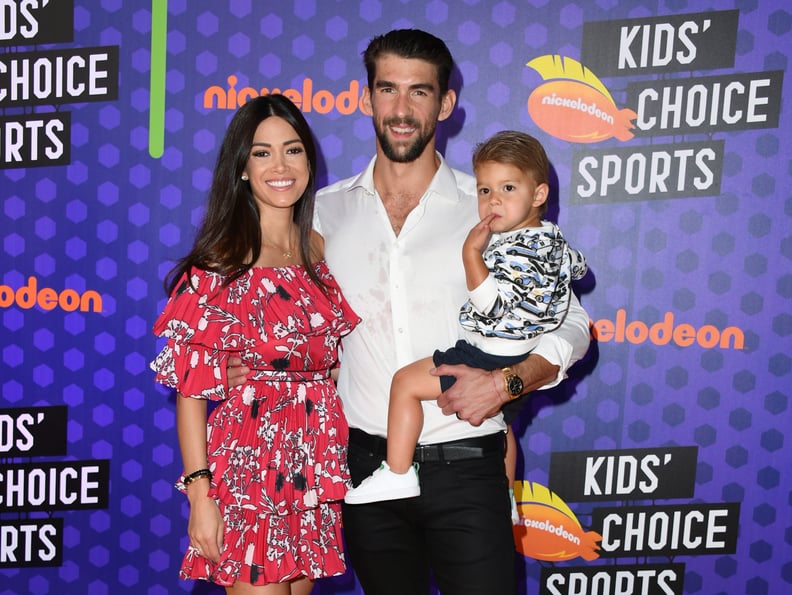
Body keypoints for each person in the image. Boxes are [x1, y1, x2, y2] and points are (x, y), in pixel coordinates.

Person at [229, 29, 590, 595]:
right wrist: (242, 369)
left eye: (419, 92)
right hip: (365, 472)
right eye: (388, 90)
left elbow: (572, 323)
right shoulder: (318, 215)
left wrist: (508, 381)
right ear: (365, 98)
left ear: (445, 104)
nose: (401, 110)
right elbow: (272, 316)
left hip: (467, 464)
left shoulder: (494, 204)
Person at [150, 94, 359, 594]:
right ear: (242, 167)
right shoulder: (222, 262)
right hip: (247, 467)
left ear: (310, 159)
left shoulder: (319, 250)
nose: (280, 166)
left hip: (313, 463)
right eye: (262, 153)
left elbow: (331, 359)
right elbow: (190, 392)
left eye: (292, 150)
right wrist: (201, 496)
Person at [343, 130, 588, 508]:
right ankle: (506, 498)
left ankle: (396, 473)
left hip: (488, 356)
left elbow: (493, 307)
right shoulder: (551, 238)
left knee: (405, 383)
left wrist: (472, 255)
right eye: (485, 191)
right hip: (506, 361)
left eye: (507, 189)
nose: (493, 200)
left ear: (539, 194)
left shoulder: (500, 245)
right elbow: (576, 267)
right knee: (502, 426)